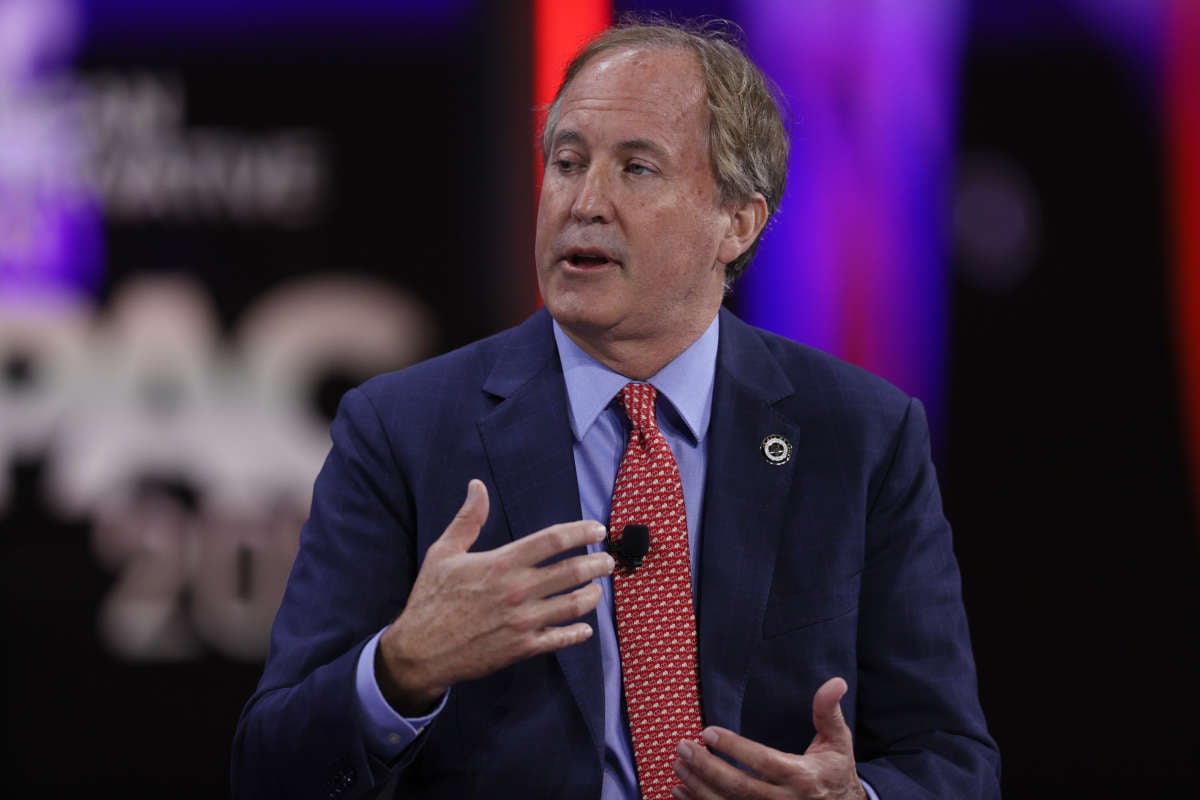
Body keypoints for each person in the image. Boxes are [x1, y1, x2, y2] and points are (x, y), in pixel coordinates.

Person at [232, 18, 999, 800]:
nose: (583, 202)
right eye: (567, 163)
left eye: (637, 169)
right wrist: (401, 669)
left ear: (737, 222)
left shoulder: (863, 437)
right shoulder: (401, 432)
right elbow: (268, 771)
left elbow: (952, 762)